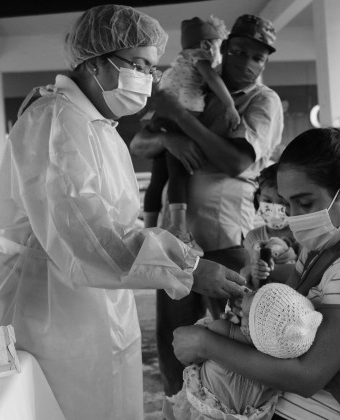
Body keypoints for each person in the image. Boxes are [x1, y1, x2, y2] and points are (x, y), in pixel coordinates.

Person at [0, 5, 245, 420]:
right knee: (54, 405)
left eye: (152, 68)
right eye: (138, 64)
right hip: (41, 302)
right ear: (96, 61)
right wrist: (187, 265)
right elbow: (85, 233)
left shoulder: (94, 122)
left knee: (105, 398)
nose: (148, 80)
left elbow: (106, 223)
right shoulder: (58, 121)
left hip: (82, 295)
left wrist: (168, 248)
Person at [172, 128, 340, 419]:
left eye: (304, 204)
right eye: (287, 203)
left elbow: (307, 376)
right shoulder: (321, 249)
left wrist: (205, 344)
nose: (293, 217)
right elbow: (281, 333)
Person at [131, 15, 283, 411]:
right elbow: (140, 143)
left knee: (228, 334)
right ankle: (177, 410)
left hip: (226, 234)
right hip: (177, 237)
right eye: (238, 51)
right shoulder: (198, 82)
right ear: (224, 47)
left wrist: (181, 122)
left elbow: (235, 161)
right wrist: (171, 139)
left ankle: (228, 411)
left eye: (258, 58)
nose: (247, 63)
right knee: (175, 338)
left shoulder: (262, 101)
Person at [143, 16, 239, 257]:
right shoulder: (199, 58)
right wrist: (230, 105)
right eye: (218, 45)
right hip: (180, 116)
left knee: (158, 177)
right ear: (207, 45)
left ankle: (148, 232)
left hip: (161, 118)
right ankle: (178, 228)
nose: (219, 52)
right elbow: (213, 79)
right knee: (179, 172)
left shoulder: (178, 61)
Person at [170, 283, 323, 420]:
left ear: (248, 328)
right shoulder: (278, 360)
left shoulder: (225, 330)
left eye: (245, 312)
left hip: (205, 409)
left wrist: (228, 318)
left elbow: (200, 335)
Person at [243, 163, 298, 288]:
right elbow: (248, 274)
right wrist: (253, 272)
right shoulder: (253, 237)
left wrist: (268, 270)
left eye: (282, 202)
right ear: (258, 199)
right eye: (267, 201)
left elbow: (301, 274)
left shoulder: (300, 234)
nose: (274, 208)